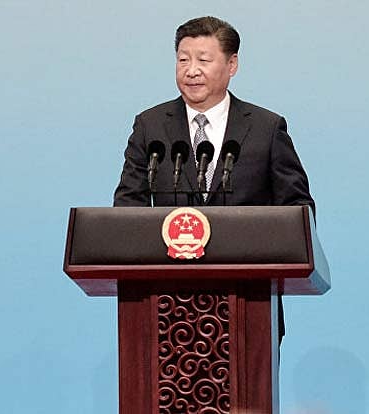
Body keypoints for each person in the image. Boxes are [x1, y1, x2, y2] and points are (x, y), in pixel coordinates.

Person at [113, 16, 315, 339]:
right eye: (183, 60)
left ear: (232, 64)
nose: (191, 71)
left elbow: (299, 211)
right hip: (166, 308)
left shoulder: (265, 129)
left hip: (248, 305)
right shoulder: (150, 126)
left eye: (203, 60)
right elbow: (127, 210)